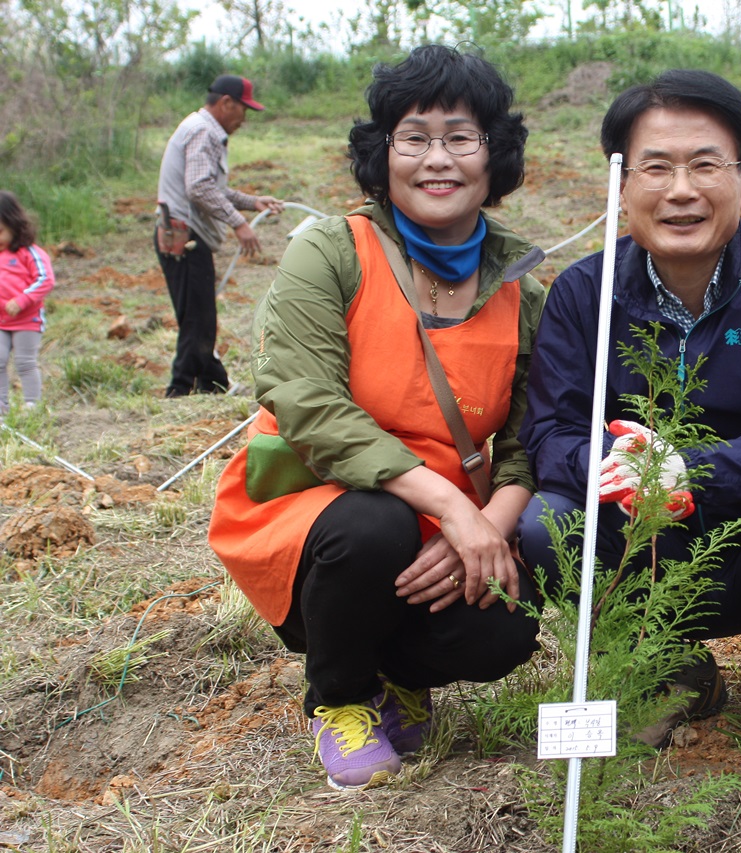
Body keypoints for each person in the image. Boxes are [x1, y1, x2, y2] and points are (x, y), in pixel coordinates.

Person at [208, 45, 545, 792]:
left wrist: (489, 523)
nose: (438, 158)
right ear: (382, 152)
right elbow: (307, 401)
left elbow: (529, 440)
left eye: (461, 136)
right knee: (372, 527)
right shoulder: (331, 251)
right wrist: (452, 505)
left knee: (505, 627)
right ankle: (340, 699)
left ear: (494, 155)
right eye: (414, 136)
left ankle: (398, 673)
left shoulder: (523, 287)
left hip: (447, 523)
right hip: (319, 511)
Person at [517, 69, 741, 764]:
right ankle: (664, 668)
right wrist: (614, 466)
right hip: (639, 543)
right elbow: (549, 433)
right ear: (622, 185)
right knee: (544, 522)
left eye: (705, 164)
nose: (681, 190)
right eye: (657, 167)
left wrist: (693, 470)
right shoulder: (583, 293)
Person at [155, 74, 284, 397]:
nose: (243, 120)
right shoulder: (203, 131)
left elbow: (213, 187)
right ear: (226, 103)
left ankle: (213, 384)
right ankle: (180, 389)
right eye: (243, 110)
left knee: (199, 314)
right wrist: (239, 223)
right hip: (185, 238)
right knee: (197, 317)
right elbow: (198, 187)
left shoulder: (199, 128)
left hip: (183, 235)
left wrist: (252, 202)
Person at [0, 191, 55, 413]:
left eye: (0, 231)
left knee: (25, 362)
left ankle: (32, 405)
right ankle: (2, 408)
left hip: (27, 321)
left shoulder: (29, 252)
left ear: (14, 225)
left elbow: (45, 279)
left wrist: (22, 300)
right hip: (1, 322)